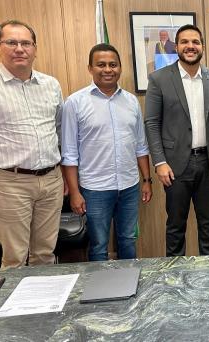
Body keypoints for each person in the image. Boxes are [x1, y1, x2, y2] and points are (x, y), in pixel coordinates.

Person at [0, 20, 64, 268]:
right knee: (14, 258)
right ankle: (14, 307)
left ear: (35, 48)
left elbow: (59, 131)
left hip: (51, 181)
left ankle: (44, 305)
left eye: (26, 43)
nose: (19, 48)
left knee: (45, 254)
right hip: (11, 184)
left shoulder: (51, 85)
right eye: (12, 42)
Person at [145, 24, 209, 256]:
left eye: (195, 42)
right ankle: (176, 276)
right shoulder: (159, 79)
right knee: (176, 224)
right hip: (174, 165)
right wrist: (159, 162)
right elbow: (152, 123)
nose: (190, 46)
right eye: (185, 42)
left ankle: (207, 273)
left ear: (202, 46)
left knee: (208, 223)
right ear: (177, 46)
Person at [61, 43, 152, 261]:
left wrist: (147, 180)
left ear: (120, 68)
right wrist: (74, 192)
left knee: (128, 239)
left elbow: (140, 145)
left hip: (129, 186)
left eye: (113, 64)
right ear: (90, 68)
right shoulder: (75, 103)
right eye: (101, 64)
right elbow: (69, 153)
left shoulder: (131, 102)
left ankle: (129, 287)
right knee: (99, 246)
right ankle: (101, 292)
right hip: (94, 189)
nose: (108, 69)